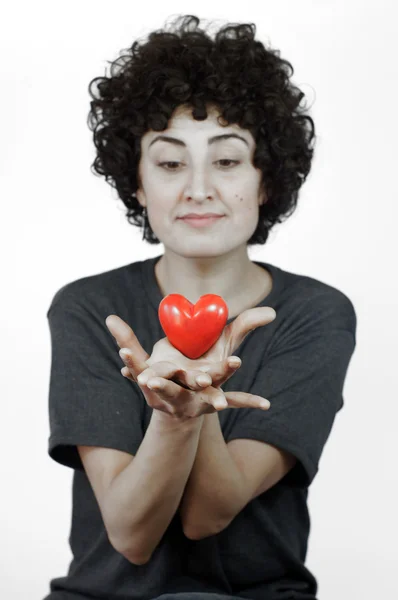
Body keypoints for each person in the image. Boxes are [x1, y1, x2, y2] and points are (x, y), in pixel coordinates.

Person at [43, 14, 357, 600]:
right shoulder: (90, 308)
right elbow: (131, 536)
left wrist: (191, 405)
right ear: (136, 182)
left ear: (266, 180)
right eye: (168, 163)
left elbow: (207, 514)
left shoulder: (316, 313)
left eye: (228, 160)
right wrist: (173, 413)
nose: (198, 187)